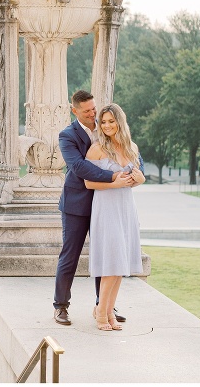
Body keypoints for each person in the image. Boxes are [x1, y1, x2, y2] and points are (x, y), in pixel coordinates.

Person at [53, 90, 134, 326]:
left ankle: (103, 306)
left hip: (106, 205)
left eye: (93, 108)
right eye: (87, 111)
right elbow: (78, 167)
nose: (92, 114)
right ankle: (61, 306)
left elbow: (127, 154)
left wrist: (131, 174)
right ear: (74, 110)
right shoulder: (67, 135)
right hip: (77, 204)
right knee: (70, 256)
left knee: (107, 255)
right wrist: (114, 177)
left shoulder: (106, 126)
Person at [85, 103, 145, 331]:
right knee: (111, 263)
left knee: (120, 264)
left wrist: (140, 180)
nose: (107, 125)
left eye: (111, 121)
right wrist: (114, 182)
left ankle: (110, 311)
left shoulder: (131, 148)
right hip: (106, 207)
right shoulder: (97, 149)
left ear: (120, 122)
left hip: (126, 208)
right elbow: (88, 183)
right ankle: (100, 311)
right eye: (103, 122)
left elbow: (137, 179)